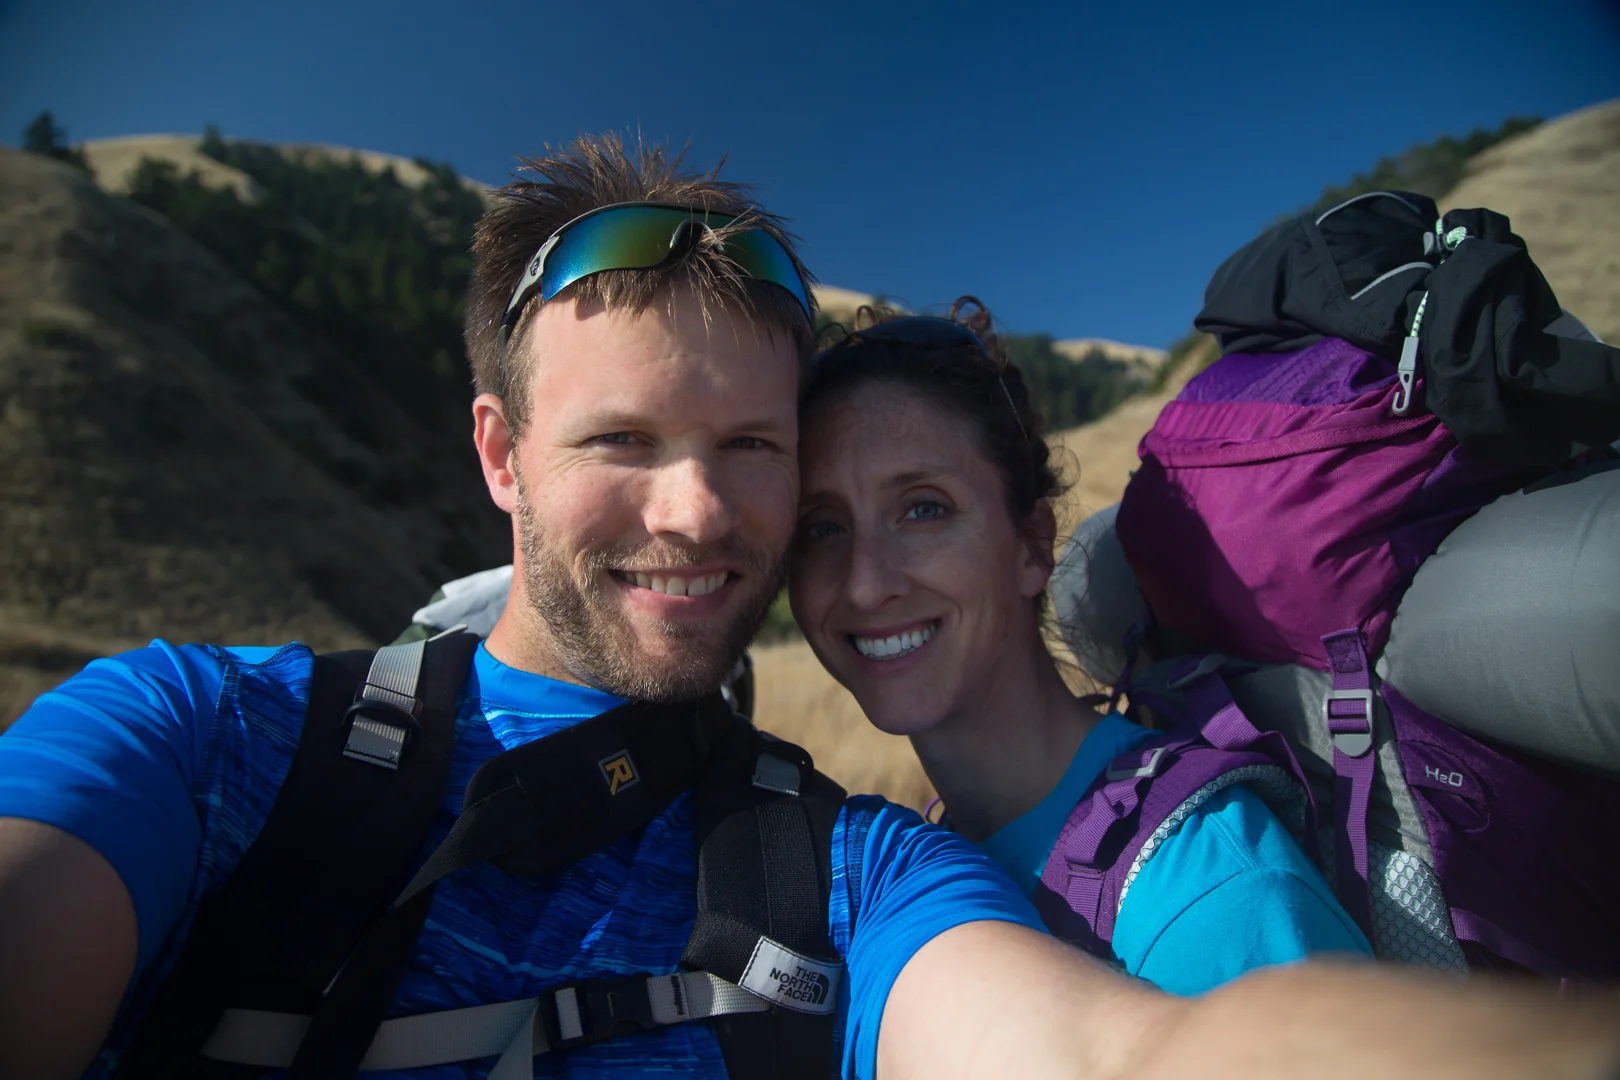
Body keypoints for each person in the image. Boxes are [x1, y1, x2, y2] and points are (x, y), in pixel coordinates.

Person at [0, 136, 1617, 1080]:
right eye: (622, 442)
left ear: (1030, 541)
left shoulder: (850, 866)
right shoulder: (202, 737)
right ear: (497, 453)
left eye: (748, 448)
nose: (699, 513)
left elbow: (1140, 1053)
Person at [788, 301, 1370, 992]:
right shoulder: (926, 856)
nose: (864, 584)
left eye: (923, 509)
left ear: (1032, 546)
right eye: (821, 527)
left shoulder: (1210, 897)